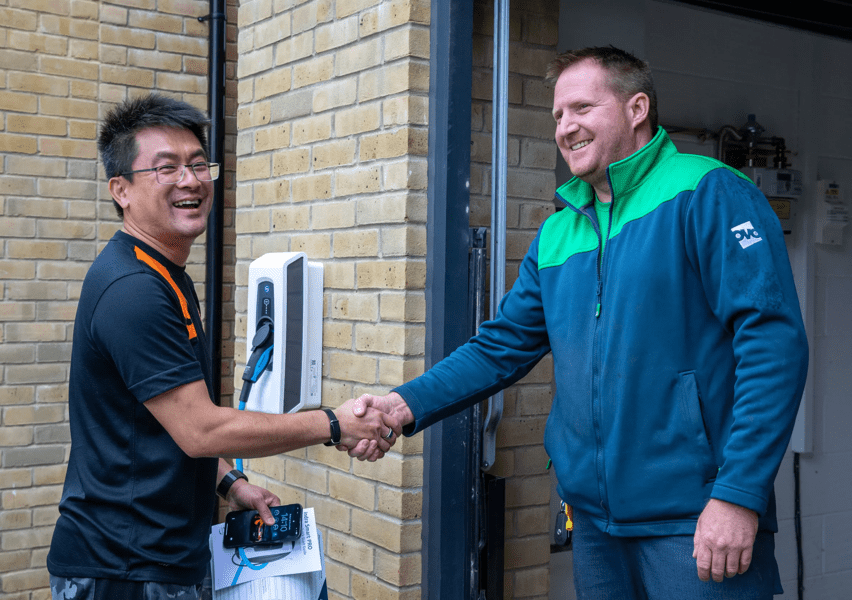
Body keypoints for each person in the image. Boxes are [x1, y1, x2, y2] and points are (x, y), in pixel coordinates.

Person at [345, 46, 808, 599]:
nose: (566, 128)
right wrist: (401, 406)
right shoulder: (560, 233)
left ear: (637, 108)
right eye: (558, 115)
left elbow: (773, 344)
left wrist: (738, 493)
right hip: (595, 526)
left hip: (696, 521)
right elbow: (500, 348)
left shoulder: (707, 193)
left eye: (582, 108)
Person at [47, 94, 400, 600]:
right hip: (121, 570)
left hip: (156, 558)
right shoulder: (132, 290)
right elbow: (199, 428)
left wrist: (231, 485)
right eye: (165, 168)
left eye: (197, 164)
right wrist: (336, 424)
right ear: (120, 189)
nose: (190, 180)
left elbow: (156, 424)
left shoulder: (165, 275)